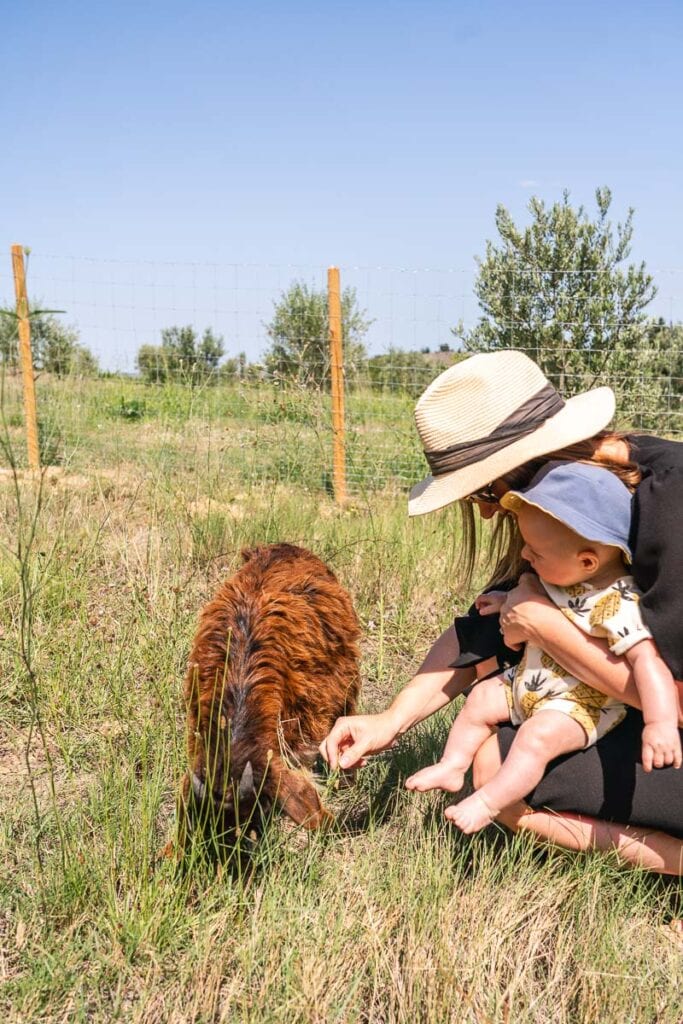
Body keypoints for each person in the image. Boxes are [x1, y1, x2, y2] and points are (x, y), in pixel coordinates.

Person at [319, 350, 683, 875]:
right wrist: (391, 720)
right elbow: (483, 629)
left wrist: (548, 630)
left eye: (486, 490)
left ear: (526, 461)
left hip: (669, 720)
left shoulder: (669, 506)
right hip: (644, 717)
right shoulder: (571, 512)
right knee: (493, 764)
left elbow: (673, 700)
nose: (488, 511)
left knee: (499, 770)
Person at [405, 460, 682, 833]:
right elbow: (549, 600)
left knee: (536, 740)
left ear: (587, 560)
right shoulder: (562, 574)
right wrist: (505, 602)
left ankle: (487, 802)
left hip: (579, 707)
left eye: (535, 550)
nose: (524, 556)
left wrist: (659, 722)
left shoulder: (619, 604)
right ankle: (454, 765)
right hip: (532, 683)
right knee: (481, 698)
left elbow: (648, 662)